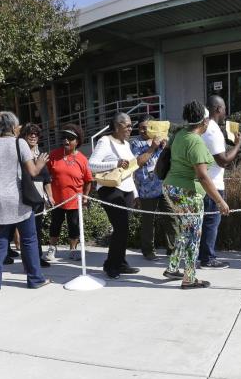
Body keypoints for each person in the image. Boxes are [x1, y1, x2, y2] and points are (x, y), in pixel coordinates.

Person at [0, 112, 51, 293]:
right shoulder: (20, 143)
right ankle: (35, 279)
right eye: (17, 125)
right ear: (12, 127)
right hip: (18, 200)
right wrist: (41, 162)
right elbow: (33, 172)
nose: (19, 128)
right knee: (29, 239)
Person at [162, 101, 230, 289]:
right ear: (205, 121)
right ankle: (189, 278)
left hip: (171, 188)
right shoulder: (196, 142)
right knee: (193, 236)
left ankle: (173, 268)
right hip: (188, 193)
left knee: (184, 231)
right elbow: (203, 177)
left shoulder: (180, 134)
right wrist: (220, 201)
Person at [89, 112, 140, 279]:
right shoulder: (105, 141)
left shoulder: (126, 144)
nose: (131, 129)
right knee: (120, 227)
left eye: (131, 126)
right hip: (110, 189)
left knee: (123, 229)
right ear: (117, 126)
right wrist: (115, 163)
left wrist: (135, 193)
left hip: (127, 190)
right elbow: (91, 165)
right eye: (128, 126)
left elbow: (129, 171)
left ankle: (121, 262)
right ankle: (110, 265)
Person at [199, 95, 241, 269]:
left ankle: (202, 256)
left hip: (205, 183)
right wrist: (238, 144)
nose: (225, 112)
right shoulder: (213, 129)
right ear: (218, 109)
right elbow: (223, 160)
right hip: (213, 185)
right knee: (211, 223)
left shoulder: (205, 127)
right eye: (224, 108)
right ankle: (208, 259)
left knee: (205, 223)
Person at [130, 115, 175, 261]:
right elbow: (138, 163)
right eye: (140, 128)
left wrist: (165, 147)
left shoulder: (162, 139)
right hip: (146, 190)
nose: (143, 131)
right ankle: (148, 251)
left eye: (146, 128)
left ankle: (172, 249)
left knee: (171, 217)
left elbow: (169, 161)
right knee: (148, 222)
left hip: (163, 187)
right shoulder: (136, 143)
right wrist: (152, 147)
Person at [45, 124, 92, 262]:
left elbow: (88, 180)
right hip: (57, 200)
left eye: (70, 138)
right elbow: (46, 176)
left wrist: (85, 197)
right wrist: (48, 195)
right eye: (64, 137)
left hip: (74, 201)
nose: (66, 140)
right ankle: (52, 248)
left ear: (77, 141)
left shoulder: (82, 159)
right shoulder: (54, 155)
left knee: (74, 226)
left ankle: (73, 250)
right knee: (55, 225)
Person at [19, 123, 54, 268]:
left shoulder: (41, 154)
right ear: (24, 136)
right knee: (27, 231)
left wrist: (50, 196)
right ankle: (28, 261)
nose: (33, 136)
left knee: (37, 229)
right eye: (30, 133)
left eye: (36, 134)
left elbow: (46, 178)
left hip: (39, 196)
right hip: (25, 194)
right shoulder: (20, 154)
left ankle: (37, 258)